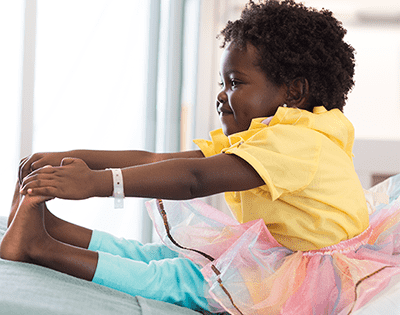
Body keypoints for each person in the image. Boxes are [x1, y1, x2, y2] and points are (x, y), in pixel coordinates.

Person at [2, 0, 400, 314]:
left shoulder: (299, 143)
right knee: (167, 254)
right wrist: (78, 159)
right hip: (277, 252)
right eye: (222, 83)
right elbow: (160, 159)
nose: (222, 95)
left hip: (310, 276)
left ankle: (42, 248)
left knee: (177, 279)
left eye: (236, 83)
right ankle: (55, 230)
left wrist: (98, 183)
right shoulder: (270, 133)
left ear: (293, 92)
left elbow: (194, 178)